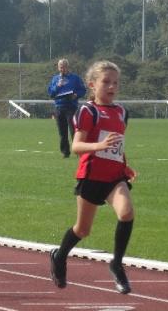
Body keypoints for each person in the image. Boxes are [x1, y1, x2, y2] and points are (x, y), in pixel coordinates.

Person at [49, 60, 137, 295]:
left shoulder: (122, 112)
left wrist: (125, 165)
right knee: (83, 229)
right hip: (91, 177)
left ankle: (117, 264)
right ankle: (59, 256)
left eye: (115, 82)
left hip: (114, 177)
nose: (112, 87)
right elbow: (76, 146)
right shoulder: (88, 111)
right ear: (92, 85)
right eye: (106, 82)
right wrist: (99, 145)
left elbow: (116, 144)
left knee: (126, 213)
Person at [47, 58, 86, 157]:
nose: (62, 69)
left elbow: (83, 90)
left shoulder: (75, 78)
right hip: (59, 108)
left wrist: (76, 95)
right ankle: (65, 152)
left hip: (71, 107)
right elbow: (51, 93)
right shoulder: (55, 79)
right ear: (58, 67)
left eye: (64, 67)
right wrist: (57, 86)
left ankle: (78, 151)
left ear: (68, 67)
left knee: (74, 130)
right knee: (62, 132)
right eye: (60, 67)